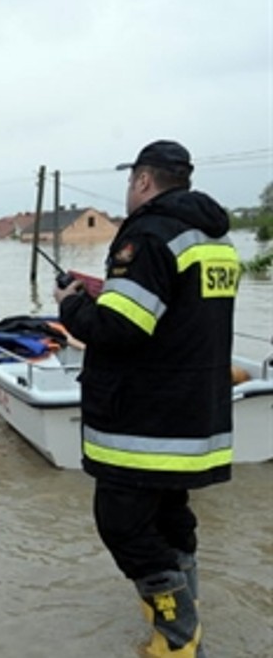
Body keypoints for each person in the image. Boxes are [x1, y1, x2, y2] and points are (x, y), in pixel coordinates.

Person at [55, 140, 238, 657]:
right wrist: (109, 292)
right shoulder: (215, 241)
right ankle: (183, 619)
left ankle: (179, 639)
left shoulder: (150, 234)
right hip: (195, 418)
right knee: (171, 519)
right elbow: (175, 318)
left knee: (124, 527)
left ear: (142, 181)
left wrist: (71, 307)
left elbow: (119, 328)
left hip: (143, 422)